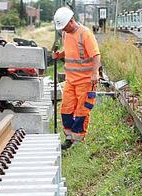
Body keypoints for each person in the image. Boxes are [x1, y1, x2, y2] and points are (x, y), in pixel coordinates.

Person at [52, 7, 101, 150]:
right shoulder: (65, 34)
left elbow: (96, 55)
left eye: (64, 27)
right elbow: (72, 50)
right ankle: (69, 138)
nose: (63, 30)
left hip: (86, 82)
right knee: (65, 109)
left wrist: (94, 73)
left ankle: (78, 141)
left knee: (82, 111)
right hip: (71, 80)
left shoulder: (85, 34)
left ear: (71, 21)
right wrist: (60, 55)